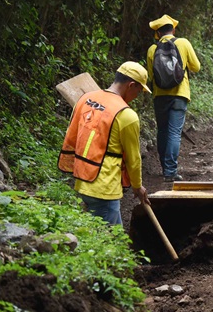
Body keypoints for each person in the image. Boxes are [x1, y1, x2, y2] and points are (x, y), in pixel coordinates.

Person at [59, 61, 151, 225]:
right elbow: (133, 159)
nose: (137, 96)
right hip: (103, 188)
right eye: (139, 90)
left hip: (82, 180)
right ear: (131, 85)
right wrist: (137, 186)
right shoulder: (127, 115)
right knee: (112, 242)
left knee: (93, 236)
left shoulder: (86, 99)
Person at [146, 14, 201, 182]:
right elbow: (196, 67)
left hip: (159, 95)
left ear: (157, 33)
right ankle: (170, 172)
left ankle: (165, 168)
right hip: (179, 94)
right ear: (173, 29)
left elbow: (150, 75)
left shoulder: (152, 49)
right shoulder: (183, 43)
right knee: (174, 132)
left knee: (162, 131)